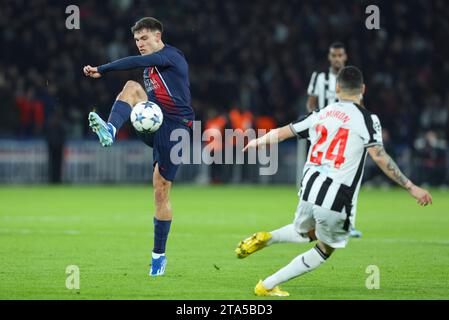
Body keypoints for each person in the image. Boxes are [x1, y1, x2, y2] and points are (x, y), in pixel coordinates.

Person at [236, 66, 432, 297]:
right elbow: (379, 156)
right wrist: (411, 186)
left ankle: (269, 237)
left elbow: (282, 132)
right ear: (363, 89)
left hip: (308, 189)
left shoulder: (322, 113)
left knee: (306, 232)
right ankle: (267, 285)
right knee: (324, 249)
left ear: (337, 88)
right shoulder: (368, 120)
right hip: (337, 197)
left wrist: (256, 142)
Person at [83, 17, 194, 276]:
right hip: (155, 123)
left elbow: (136, 61)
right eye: (136, 40)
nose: (139, 44)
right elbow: (142, 74)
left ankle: (158, 257)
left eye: (144, 38)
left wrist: (103, 68)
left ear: (158, 36)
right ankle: (110, 130)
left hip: (177, 128)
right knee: (132, 87)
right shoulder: (149, 71)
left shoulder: (171, 56)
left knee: (160, 191)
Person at [306, 41, 362, 238]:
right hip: (323, 139)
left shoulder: (351, 78)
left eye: (340, 56)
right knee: (317, 178)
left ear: (345, 57)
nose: (337, 59)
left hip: (345, 140)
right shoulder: (319, 78)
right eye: (334, 56)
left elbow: (359, 106)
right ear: (329, 58)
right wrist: (318, 124)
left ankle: (348, 223)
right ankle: (313, 220)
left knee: (348, 181)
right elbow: (311, 104)